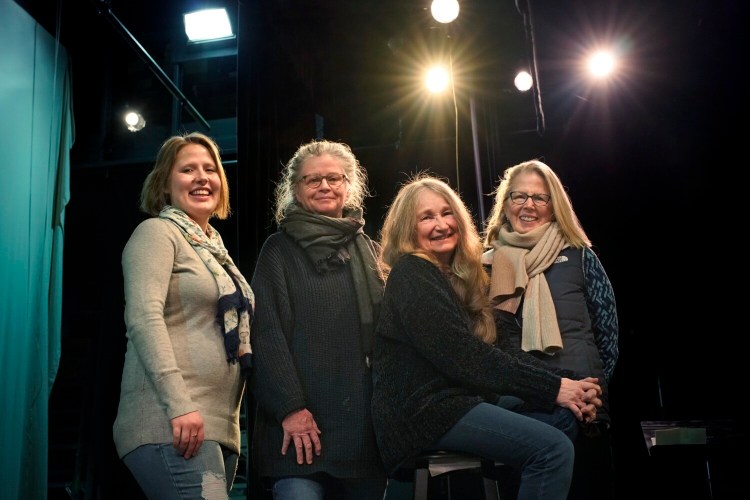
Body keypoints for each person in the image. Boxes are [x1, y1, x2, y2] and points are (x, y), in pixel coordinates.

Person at [372, 174, 602, 500]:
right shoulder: (412, 272)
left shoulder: (461, 279)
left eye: (446, 213)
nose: (441, 224)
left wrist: (570, 386)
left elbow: (501, 350)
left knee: (561, 418)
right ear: (408, 231)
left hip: (459, 401)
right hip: (425, 414)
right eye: (427, 217)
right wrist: (554, 388)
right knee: (553, 449)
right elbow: (465, 357)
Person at [113, 132, 254, 499]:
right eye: (187, 169)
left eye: (210, 169)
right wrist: (179, 406)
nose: (202, 178)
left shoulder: (216, 253)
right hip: (171, 421)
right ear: (165, 184)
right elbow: (144, 319)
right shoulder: (157, 234)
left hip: (217, 428)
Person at [249, 139, 387, 499]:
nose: (325, 186)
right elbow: (265, 336)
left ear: (348, 184)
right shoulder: (277, 251)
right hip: (298, 432)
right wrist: (291, 408)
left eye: (333, 178)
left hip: (360, 434)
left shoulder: (371, 253)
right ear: (296, 189)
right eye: (313, 180)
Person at [482, 159, 619, 500]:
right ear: (506, 203)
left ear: (554, 204)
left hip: (582, 406)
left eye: (540, 198)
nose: (528, 205)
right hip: (520, 407)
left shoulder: (581, 257)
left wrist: (589, 388)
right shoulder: (484, 264)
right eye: (519, 196)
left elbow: (609, 335)